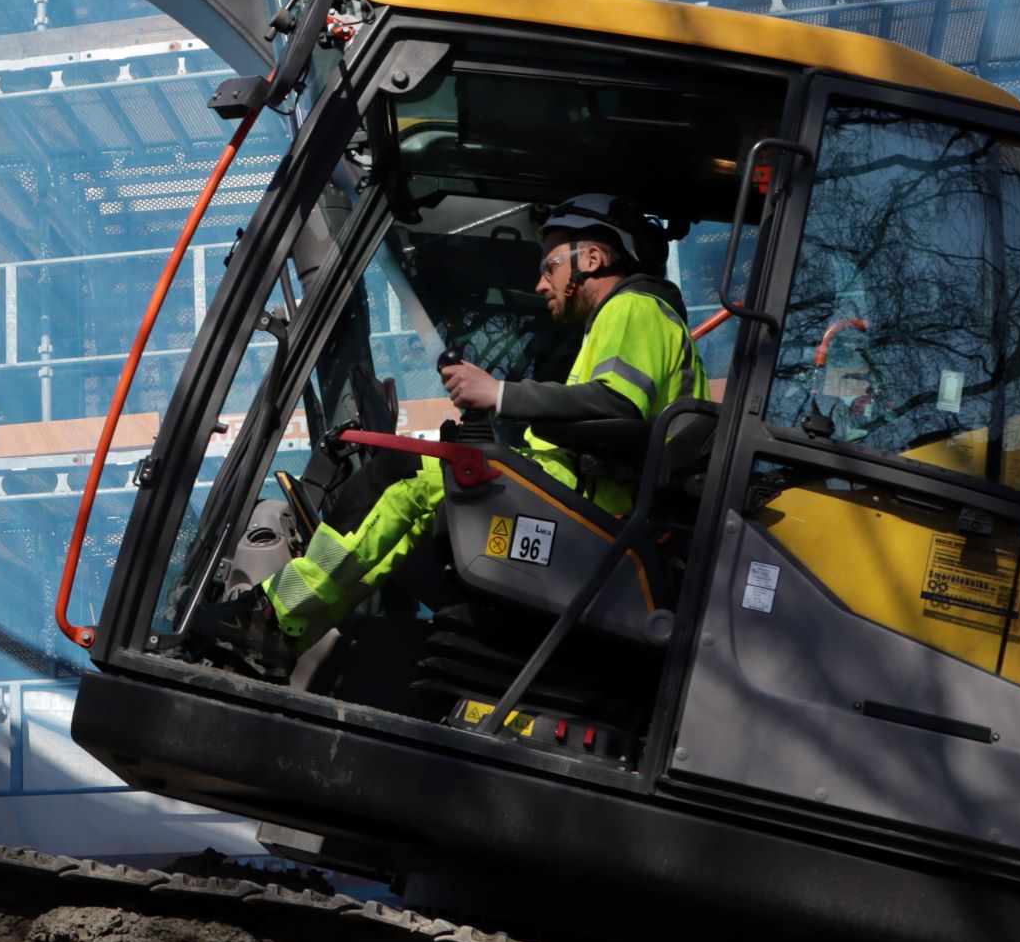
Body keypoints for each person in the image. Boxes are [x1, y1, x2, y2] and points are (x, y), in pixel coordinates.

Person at [238, 195, 704, 661]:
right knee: (413, 504)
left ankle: (270, 616)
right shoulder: (632, 319)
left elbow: (616, 405)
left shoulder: (634, 307)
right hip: (595, 500)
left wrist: (498, 394)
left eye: (550, 266)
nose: (541, 283)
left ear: (594, 258)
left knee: (396, 476)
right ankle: (286, 629)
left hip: (594, 506)